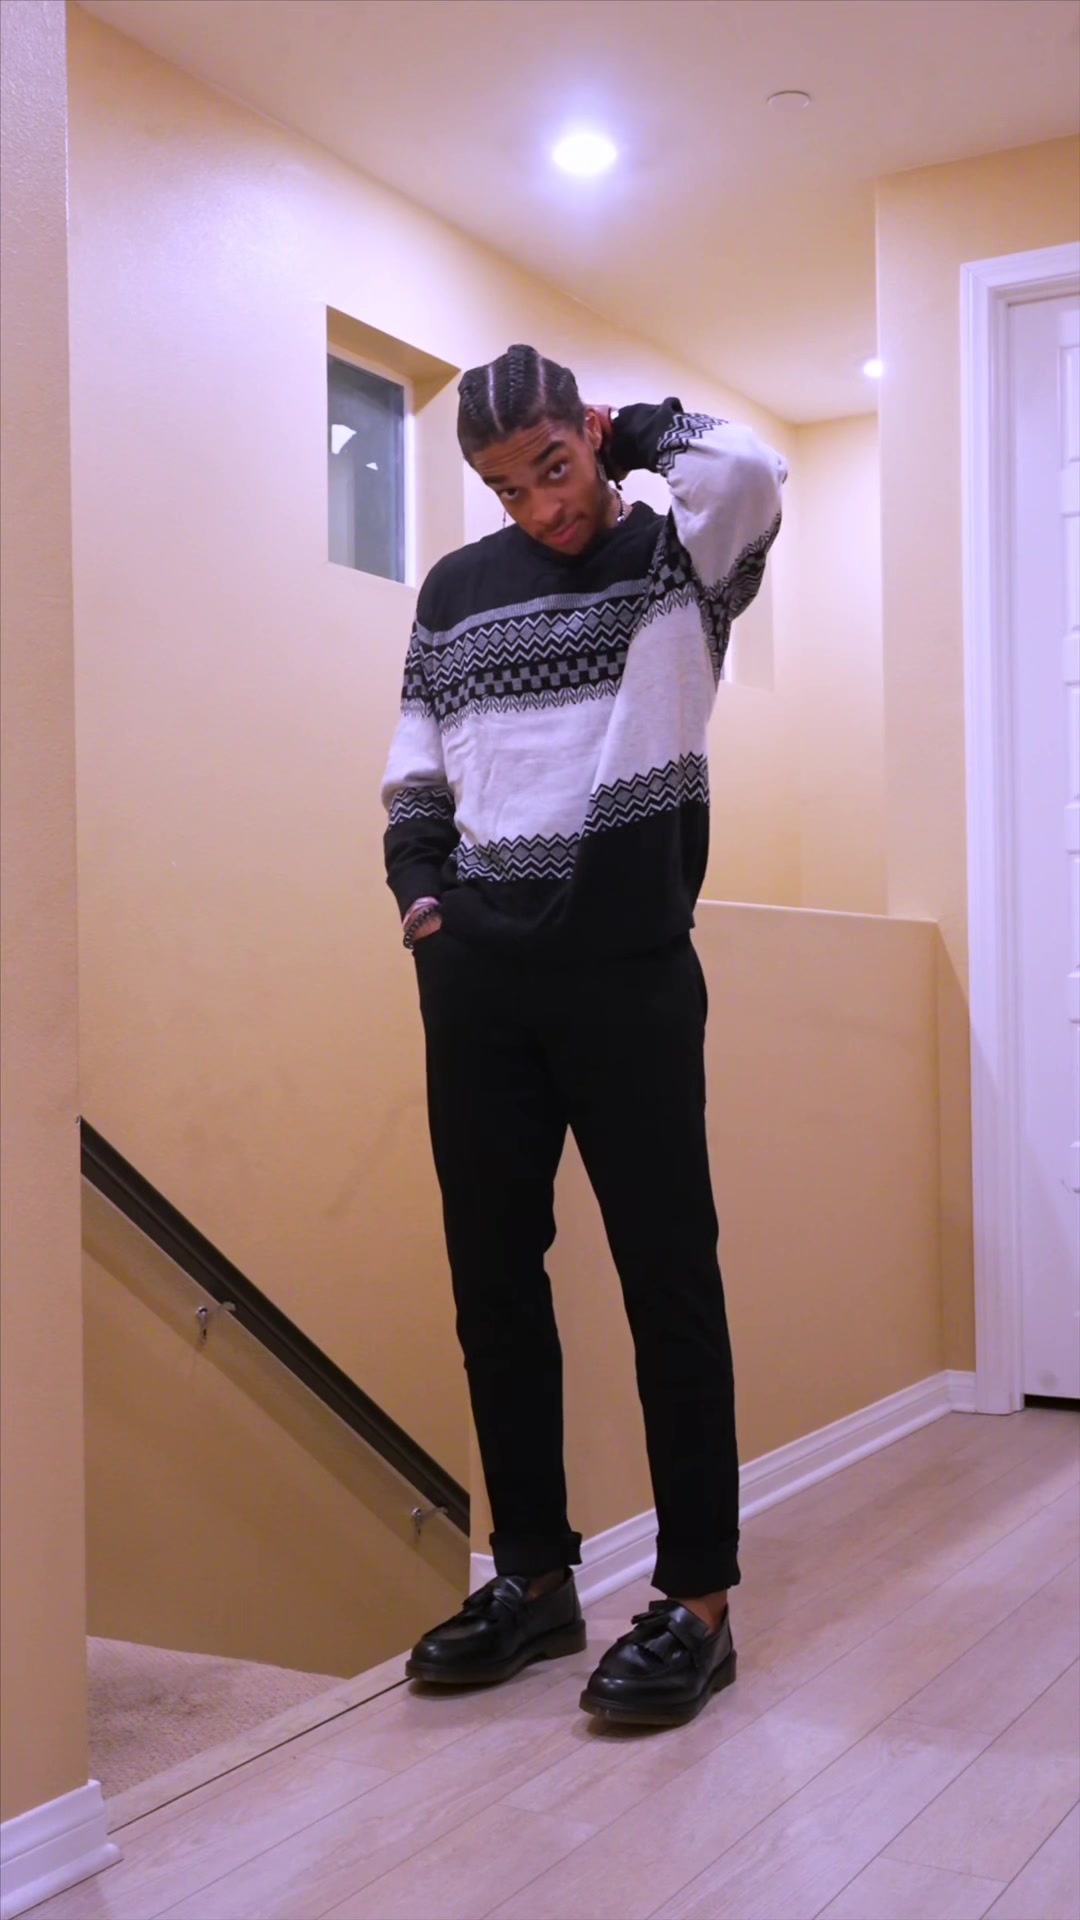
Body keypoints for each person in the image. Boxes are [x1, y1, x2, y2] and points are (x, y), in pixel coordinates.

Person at [380, 343, 786, 1727]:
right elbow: (416, 763)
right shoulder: (454, 591)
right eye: (509, 488)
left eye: (555, 467)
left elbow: (749, 469)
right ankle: (535, 1580)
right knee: (493, 1283)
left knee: (669, 1278)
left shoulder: (678, 563)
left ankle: (699, 1602)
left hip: (627, 971)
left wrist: (640, 432)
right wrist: (423, 904)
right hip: (479, 979)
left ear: (591, 437)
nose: (541, 507)